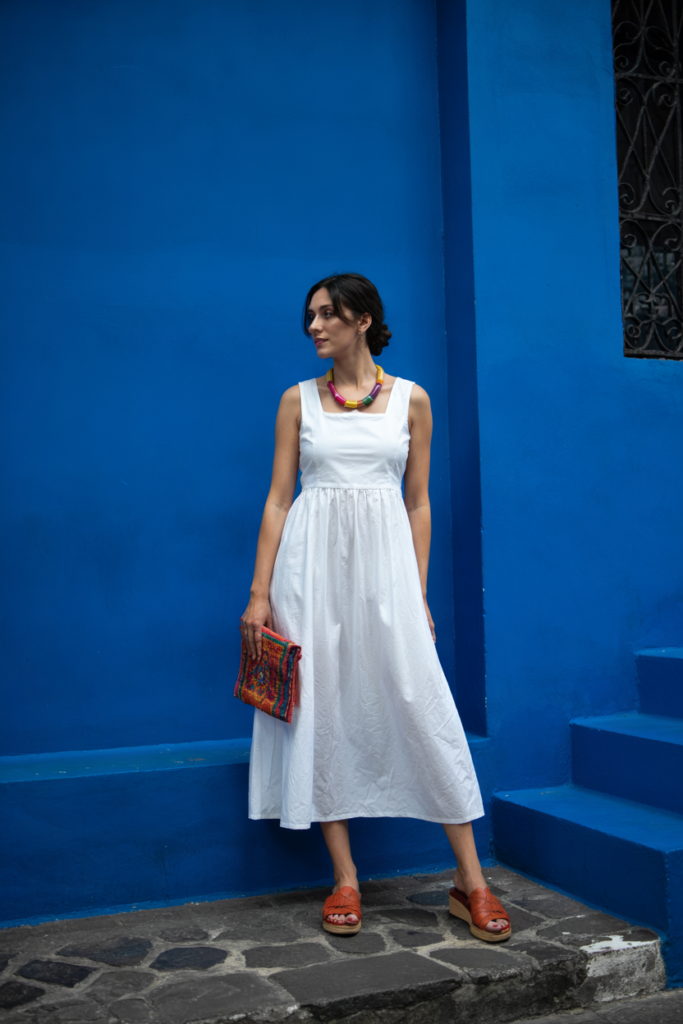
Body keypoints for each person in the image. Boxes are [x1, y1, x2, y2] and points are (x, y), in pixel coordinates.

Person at [240, 273, 510, 941]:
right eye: (309, 315)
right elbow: (278, 499)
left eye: (327, 314)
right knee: (319, 706)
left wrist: (416, 594)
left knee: (421, 702)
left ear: (363, 320)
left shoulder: (412, 400)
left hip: (386, 574)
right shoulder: (297, 401)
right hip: (309, 574)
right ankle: (345, 878)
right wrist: (259, 594)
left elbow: (418, 503)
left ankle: (470, 881)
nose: (313, 326)